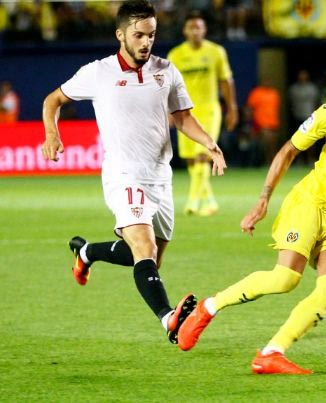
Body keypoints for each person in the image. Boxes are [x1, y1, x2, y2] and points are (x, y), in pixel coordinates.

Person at [176, 38, 326, 375]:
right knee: (285, 279)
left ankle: (271, 353)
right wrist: (263, 199)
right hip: (312, 200)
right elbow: (289, 150)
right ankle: (208, 307)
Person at [40, 0, 226, 344]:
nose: (146, 42)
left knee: (148, 256)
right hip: (123, 174)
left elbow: (183, 116)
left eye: (151, 35)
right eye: (139, 35)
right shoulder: (98, 73)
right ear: (121, 34)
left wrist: (209, 143)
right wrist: (52, 134)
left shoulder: (166, 71)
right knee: (143, 246)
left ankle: (87, 253)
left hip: (160, 177)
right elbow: (53, 100)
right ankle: (170, 320)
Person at [168, 11, 238, 216]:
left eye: (198, 27)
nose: (195, 31)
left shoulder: (216, 52)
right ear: (185, 31)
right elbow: (170, 87)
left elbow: (226, 81)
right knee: (191, 159)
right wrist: (168, 111)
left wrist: (232, 108)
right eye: (191, 27)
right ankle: (209, 201)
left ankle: (192, 200)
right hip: (184, 112)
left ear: (204, 30)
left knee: (203, 154)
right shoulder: (175, 55)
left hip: (209, 110)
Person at [246, 77, 281, 165]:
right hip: (261, 123)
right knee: (268, 142)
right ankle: (269, 162)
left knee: (273, 144)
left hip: (274, 123)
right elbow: (250, 108)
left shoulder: (274, 93)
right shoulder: (256, 93)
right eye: (266, 81)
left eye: (269, 81)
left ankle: (272, 162)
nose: (268, 83)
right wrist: (252, 123)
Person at [288, 69, 320, 165]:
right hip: (297, 115)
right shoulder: (294, 88)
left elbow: (316, 102)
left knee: (311, 139)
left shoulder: (312, 88)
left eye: (304, 75)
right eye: (301, 75)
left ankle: (310, 158)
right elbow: (290, 102)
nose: (302, 77)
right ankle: (300, 159)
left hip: (309, 116)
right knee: (298, 138)